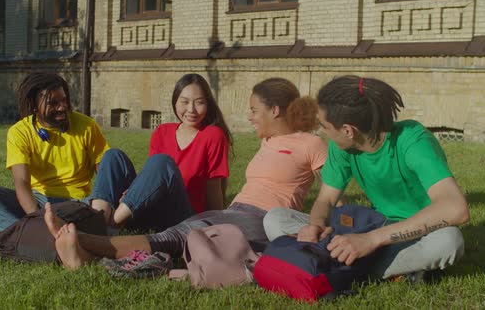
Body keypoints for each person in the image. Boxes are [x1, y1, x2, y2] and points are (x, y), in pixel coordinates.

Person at [43, 77, 328, 270]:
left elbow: (330, 193)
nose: (250, 117)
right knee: (175, 233)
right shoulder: (267, 141)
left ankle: (85, 241)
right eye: (184, 101)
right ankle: (90, 240)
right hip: (233, 211)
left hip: (260, 217)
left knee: (178, 237)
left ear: (275, 111)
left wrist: (320, 224)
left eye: (254, 110)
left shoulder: (311, 144)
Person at [263, 75, 469, 280]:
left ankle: (336, 263)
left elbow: (455, 209)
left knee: (450, 241)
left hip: (413, 233)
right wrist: (315, 226)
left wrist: (371, 240)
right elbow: (325, 200)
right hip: (369, 224)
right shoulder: (341, 147)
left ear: (348, 130)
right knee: (276, 218)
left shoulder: (412, 140)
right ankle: (371, 266)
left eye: (325, 127)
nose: (323, 133)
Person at [0, 72, 115, 233]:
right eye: (53, 103)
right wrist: (39, 218)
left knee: (102, 205)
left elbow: (104, 172)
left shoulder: (86, 125)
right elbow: (22, 184)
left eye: (64, 100)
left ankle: (19, 229)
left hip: (79, 203)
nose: (62, 107)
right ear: (34, 106)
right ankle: (30, 232)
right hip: (38, 201)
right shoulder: (19, 132)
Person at [94, 73, 232, 232]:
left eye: (199, 102)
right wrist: (132, 192)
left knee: (162, 162)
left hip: (184, 218)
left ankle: (112, 224)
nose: (191, 109)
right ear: (175, 102)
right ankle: (99, 218)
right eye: (184, 102)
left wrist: (217, 228)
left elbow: (213, 188)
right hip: (151, 211)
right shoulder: (162, 131)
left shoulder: (213, 135)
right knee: (113, 156)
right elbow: (152, 178)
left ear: (208, 105)